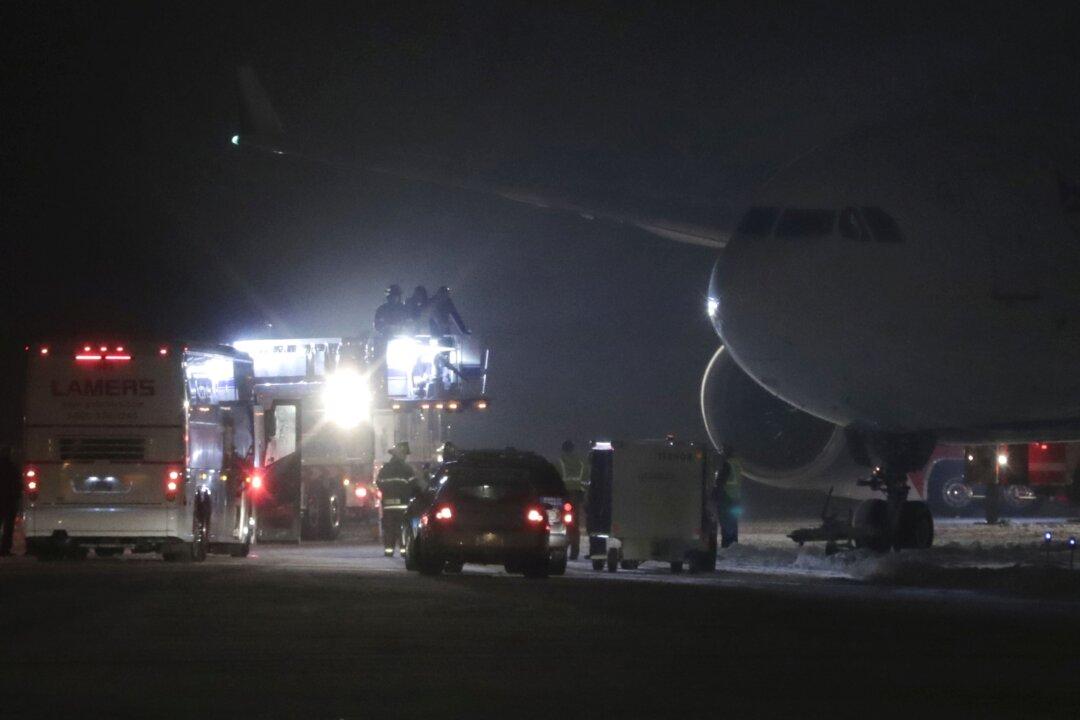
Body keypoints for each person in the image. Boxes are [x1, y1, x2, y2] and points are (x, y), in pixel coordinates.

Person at [376, 442, 421, 557]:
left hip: (388, 505)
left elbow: (379, 482)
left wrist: (388, 492)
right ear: (401, 454)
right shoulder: (407, 469)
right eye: (405, 454)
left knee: (389, 528)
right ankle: (403, 551)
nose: (406, 456)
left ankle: (389, 551)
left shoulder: (385, 469)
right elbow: (414, 485)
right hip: (403, 505)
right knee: (403, 529)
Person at [558, 440, 588, 560]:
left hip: (563, 495)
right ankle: (574, 550)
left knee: (560, 523)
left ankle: (561, 547)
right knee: (574, 524)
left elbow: (555, 477)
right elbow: (586, 479)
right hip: (577, 494)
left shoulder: (559, 461)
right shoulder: (581, 462)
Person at [714, 444, 743, 548]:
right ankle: (733, 543)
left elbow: (720, 481)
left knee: (725, 522)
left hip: (726, 497)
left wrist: (715, 492)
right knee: (733, 522)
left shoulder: (727, 464)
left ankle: (726, 544)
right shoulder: (737, 464)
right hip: (736, 497)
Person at [0, 445, 21, 557]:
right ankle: (5, 549)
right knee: (8, 527)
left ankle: (4, 549)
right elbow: (17, 484)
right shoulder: (12, 467)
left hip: (4, 499)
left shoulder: (10, 467)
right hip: (9, 500)